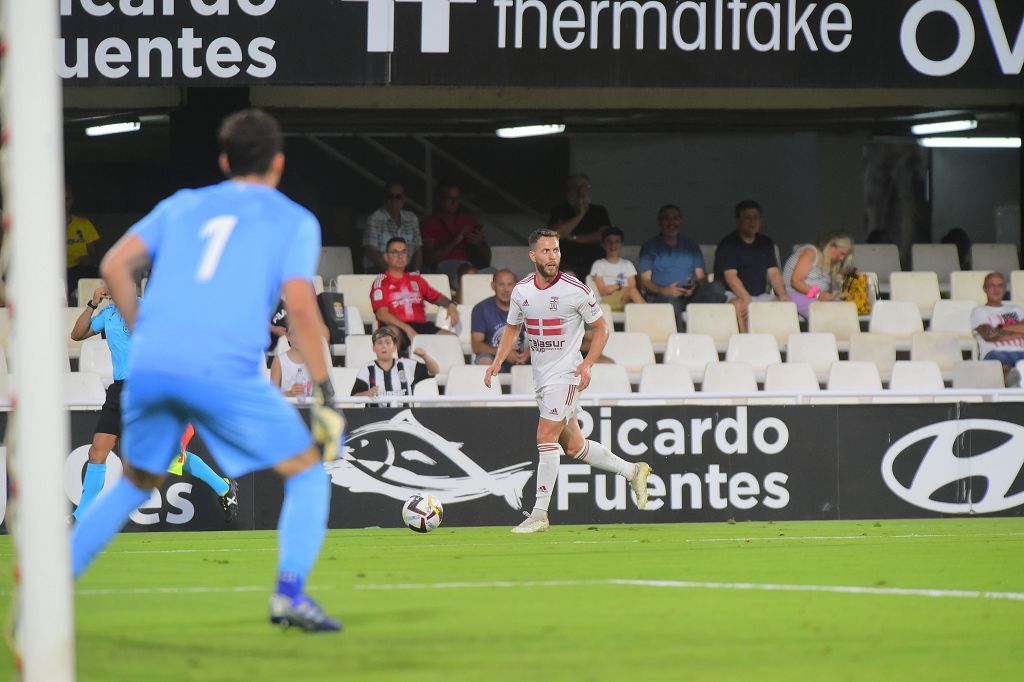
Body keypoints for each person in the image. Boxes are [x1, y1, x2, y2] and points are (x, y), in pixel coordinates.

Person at [71, 109, 345, 633]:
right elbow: (303, 313)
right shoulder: (293, 220)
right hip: (223, 368)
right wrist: (326, 389)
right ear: (279, 163)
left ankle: (53, 587)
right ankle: (290, 594)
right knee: (309, 473)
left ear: (224, 161)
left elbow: (112, 265)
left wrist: (143, 329)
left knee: (135, 480)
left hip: (152, 369)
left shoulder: (184, 205)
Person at [484, 228, 652, 533]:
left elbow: (601, 329)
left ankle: (539, 513)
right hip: (542, 378)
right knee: (574, 446)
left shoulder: (576, 289)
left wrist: (587, 365)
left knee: (545, 436)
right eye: (546, 251)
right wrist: (497, 362)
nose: (553, 257)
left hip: (567, 375)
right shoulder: (522, 291)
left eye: (557, 250)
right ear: (533, 255)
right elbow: (512, 328)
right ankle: (633, 470)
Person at [69, 284, 239, 525]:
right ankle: (81, 516)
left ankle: (222, 486)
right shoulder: (107, 314)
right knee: (97, 451)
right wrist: (91, 304)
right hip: (119, 391)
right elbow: (76, 335)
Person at [639, 204, 725, 331]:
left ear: (680, 221)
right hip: (662, 297)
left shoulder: (691, 245)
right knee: (670, 301)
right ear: (659, 222)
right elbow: (645, 281)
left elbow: (701, 278)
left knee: (717, 287)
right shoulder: (650, 246)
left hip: (690, 297)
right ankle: (681, 341)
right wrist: (665, 290)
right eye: (666, 219)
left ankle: (704, 334)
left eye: (675, 218)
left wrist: (694, 287)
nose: (671, 222)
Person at [714, 200, 791, 332]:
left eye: (756, 218)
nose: (752, 222)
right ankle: (745, 346)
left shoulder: (765, 243)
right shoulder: (728, 244)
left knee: (786, 305)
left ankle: (775, 348)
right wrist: (745, 297)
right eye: (747, 218)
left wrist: (782, 294)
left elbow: (773, 273)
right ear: (738, 221)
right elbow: (731, 277)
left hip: (760, 295)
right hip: (733, 295)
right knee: (740, 306)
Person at [371, 236, 459, 350]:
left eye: (403, 252)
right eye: (395, 252)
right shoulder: (381, 281)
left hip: (420, 326)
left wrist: (450, 304)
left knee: (452, 339)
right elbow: (381, 314)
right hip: (395, 326)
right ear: (386, 257)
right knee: (391, 334)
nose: (400, 256)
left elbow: (436, 297)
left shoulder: (416, 279)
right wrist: (407, 329)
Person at [421, 180, 490, 286]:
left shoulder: (468, 220)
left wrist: (480, 243)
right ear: (440, 199)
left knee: (502, 277)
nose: (454, 202)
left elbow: (487, 258)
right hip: (446, 265)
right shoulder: (430, 222)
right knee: (467, 273)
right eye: (449, 198)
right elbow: (428, 259)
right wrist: (455, 241)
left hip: (473, 264)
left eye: (456, 198)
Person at [350, 326, 440, 405]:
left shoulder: (407, 365)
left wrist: (424, 356)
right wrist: (366, 394)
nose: (384, 346)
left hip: (406, 420)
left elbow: (434, 371)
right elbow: (354, 398)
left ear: (394, 347)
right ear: (374, 348)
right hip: (376, 421)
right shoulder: (367, 369)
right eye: (379, 343)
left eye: (388, 342)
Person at [548, 174, 611, 277]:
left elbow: (604, 236)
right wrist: (580, 215)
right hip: (566, 263)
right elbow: (554, 234)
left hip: (595, 263)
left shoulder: (599, 211)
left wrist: (574, 238)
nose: (580, 191)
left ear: (589, 189)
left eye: (583, 186)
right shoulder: (559, 210)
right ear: (569, 190)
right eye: (575, 187)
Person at [781, 233, 855, 318]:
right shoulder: (810, 252)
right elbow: (796, 282)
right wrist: (819, 294)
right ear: (832, 248)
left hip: (812, 296)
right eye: (842, 254)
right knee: (827, 314)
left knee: (846, 309)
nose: (842, 258)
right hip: (795, 293)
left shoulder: (829, 262)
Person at [971, 272, 1024, 387]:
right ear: (984, 289)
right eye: (992, 285)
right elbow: (989, 335)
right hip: (995, 353)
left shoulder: (1017, 309)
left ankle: (1014, 378)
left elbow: (995, 333)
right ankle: (1013, 379)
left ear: (1005, 288)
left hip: (1021, 352)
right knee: (1002, 363)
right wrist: (1017, 331)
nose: (996, 289)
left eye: (1000, 285)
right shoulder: (979, 311)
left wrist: (999, 330)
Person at [471, 269, 529, 369]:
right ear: (493, 286)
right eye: (501, 284)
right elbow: (476, 346)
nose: (506, 289)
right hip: (493, 356)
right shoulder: (481, 309)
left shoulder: (527, 307)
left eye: (510, 284)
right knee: (484, 360)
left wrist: (529, 352)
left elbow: (542, 337)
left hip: (520, 356)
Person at [363, 182, 422, 273]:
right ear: (384, 199)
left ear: (403, 199)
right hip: (379, 270)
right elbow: (371, 252)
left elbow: (418, 249)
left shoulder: (412, 218)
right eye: (390, 196)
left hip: (407, 269)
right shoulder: (374, 219)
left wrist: (416, 273)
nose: (394, 200)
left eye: (398, 196)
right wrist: (393, 274)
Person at [589, 226, 645, 312]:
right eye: (609, 242)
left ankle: (649, 315)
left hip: (626, 299)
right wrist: (620, 287)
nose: (613, 245)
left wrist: (614, 287)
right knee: (633, 293)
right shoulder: (598, 264)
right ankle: (651, 315)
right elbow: (603, 291)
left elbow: (632, 287)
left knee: (633, 292)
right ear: (603, 245)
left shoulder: (628, 264)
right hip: (607, 302)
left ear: (621, 245)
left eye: (617, 241)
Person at [66, 184, 102, 304]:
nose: (64, 203)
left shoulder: (84, 224)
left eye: (67, 199)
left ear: (72, 200)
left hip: (81, 270)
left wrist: (88, 259)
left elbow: (94, 255)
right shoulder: (45, 225)